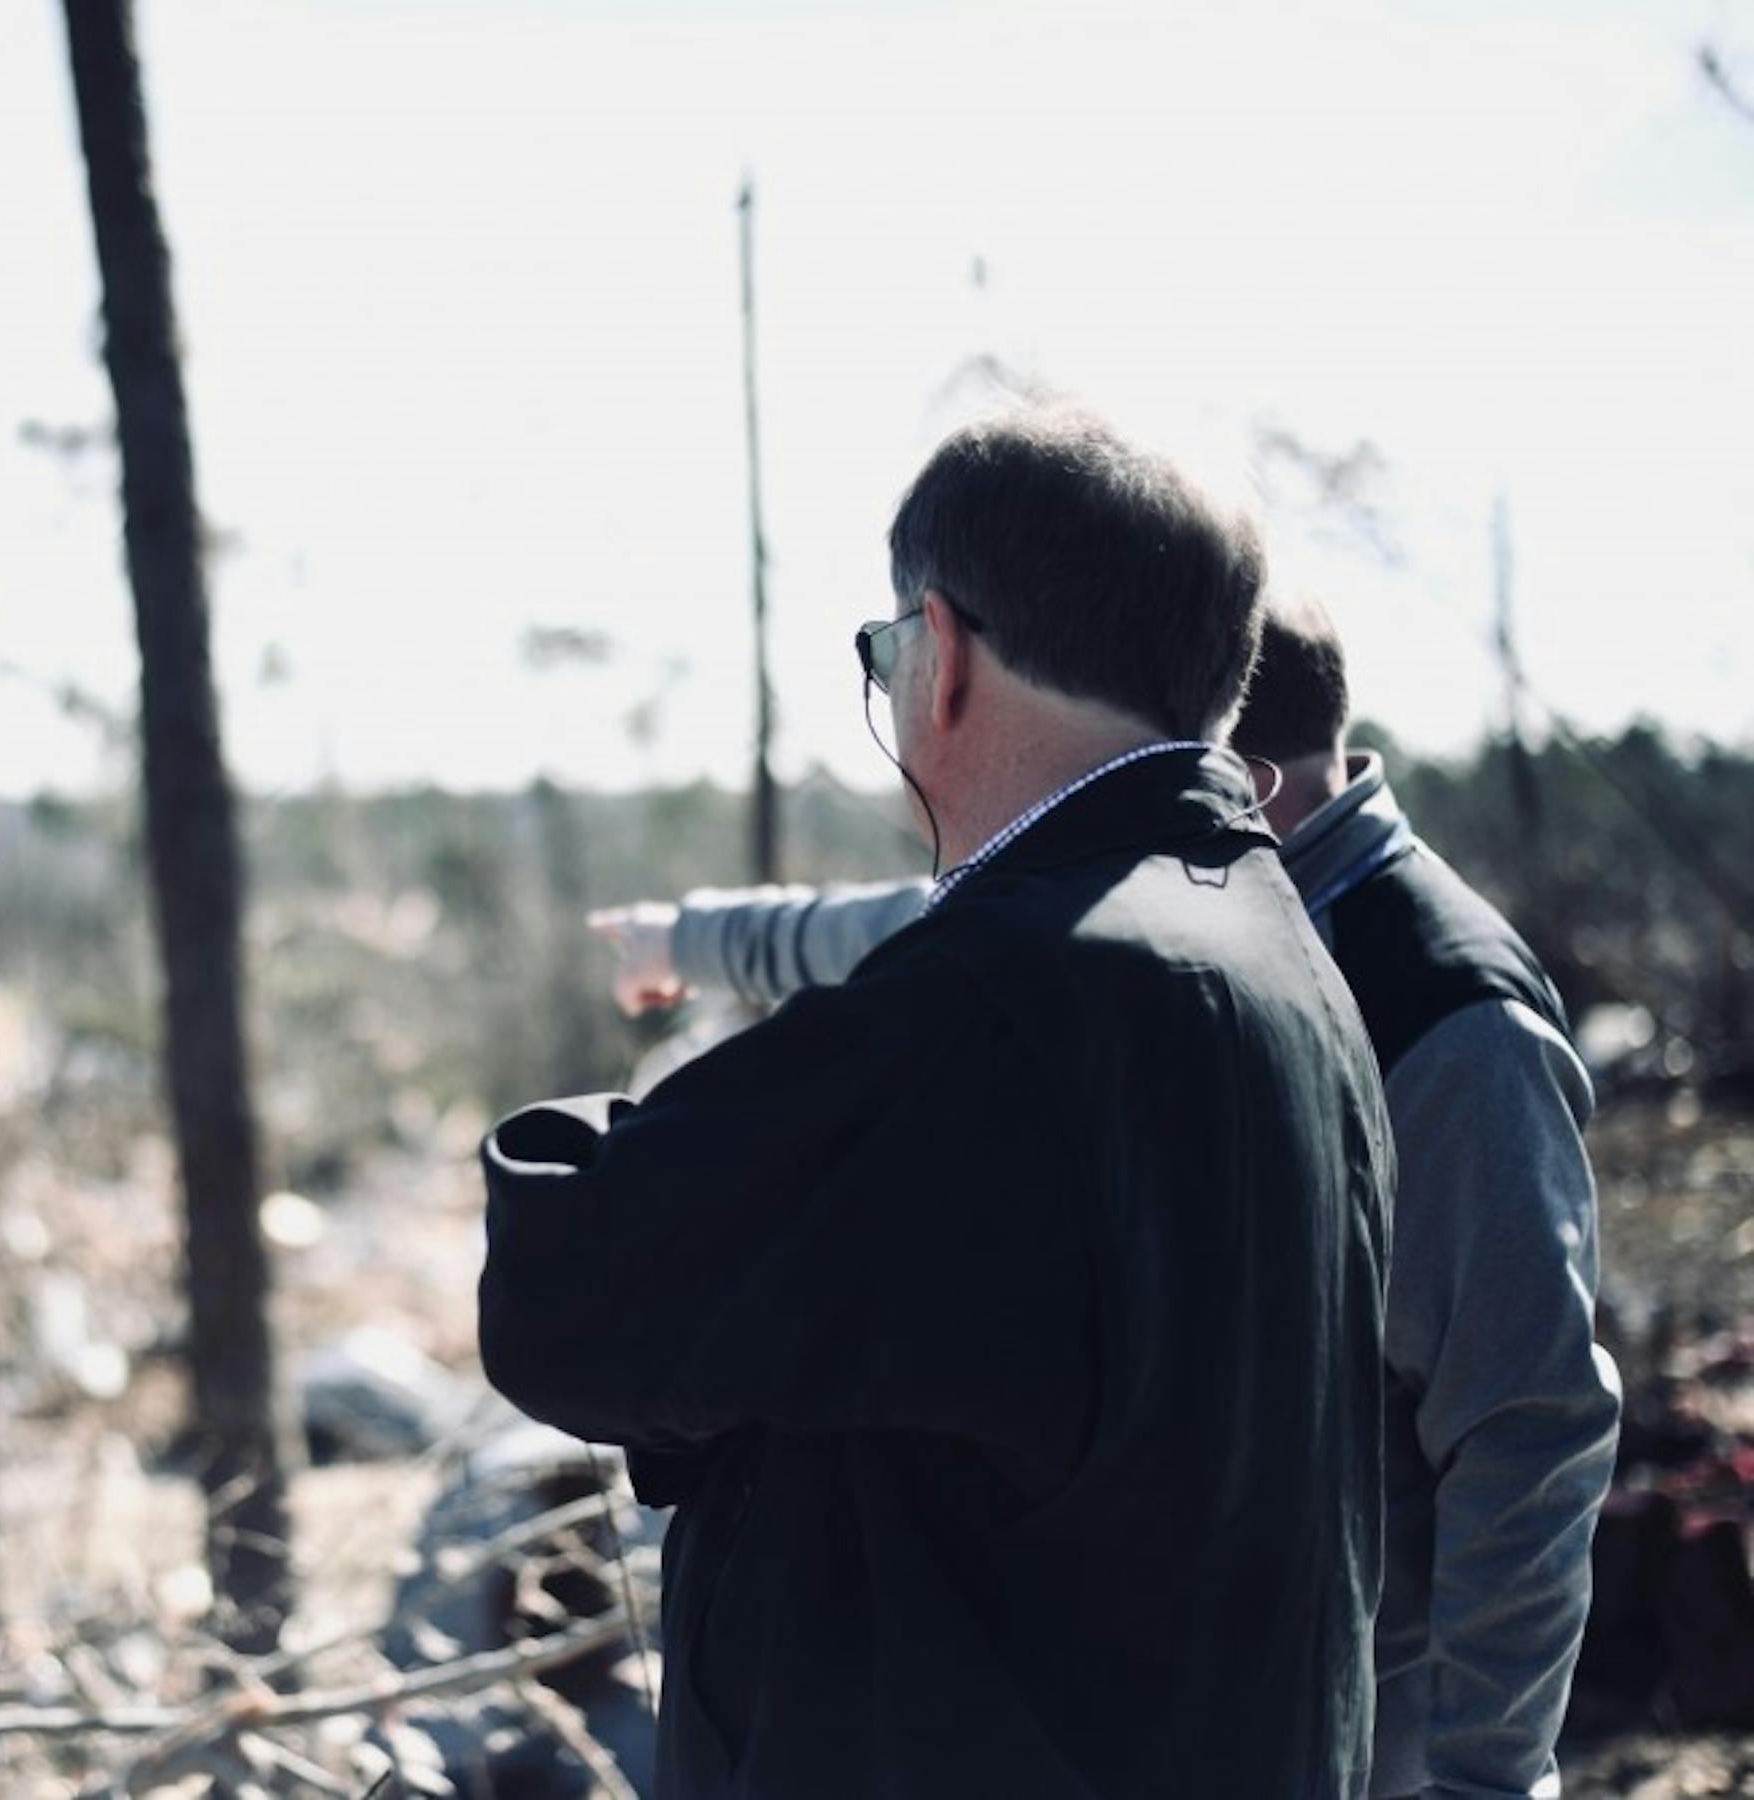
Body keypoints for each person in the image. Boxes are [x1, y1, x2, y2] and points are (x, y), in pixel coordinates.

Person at [480, 407, 1391, 1797]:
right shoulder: (1288, 964)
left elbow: (566, 1304)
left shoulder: (1002, 1002)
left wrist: (603, 1136)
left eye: (883, 651)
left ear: (941, 653)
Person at [600, 594, 1622, 1800]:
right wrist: (682, 941)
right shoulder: (1157, 906)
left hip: (1354, 1743)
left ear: (1217, 764)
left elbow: (1527, 1430)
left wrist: (1485, 1780)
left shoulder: (1451, 1023)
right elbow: (904, 928)